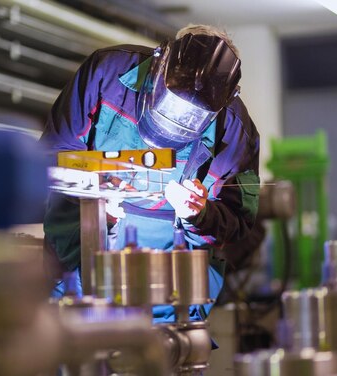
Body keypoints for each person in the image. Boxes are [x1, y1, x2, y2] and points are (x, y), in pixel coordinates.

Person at [41, 24, 260, 322]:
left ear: (223, 102)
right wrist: (92, 195)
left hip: (170, 291)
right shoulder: (107, 74)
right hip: (78, 262)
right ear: (161, 64)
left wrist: (199, 214)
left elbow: (240, 225)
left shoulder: (236, 133)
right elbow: (51, 160)